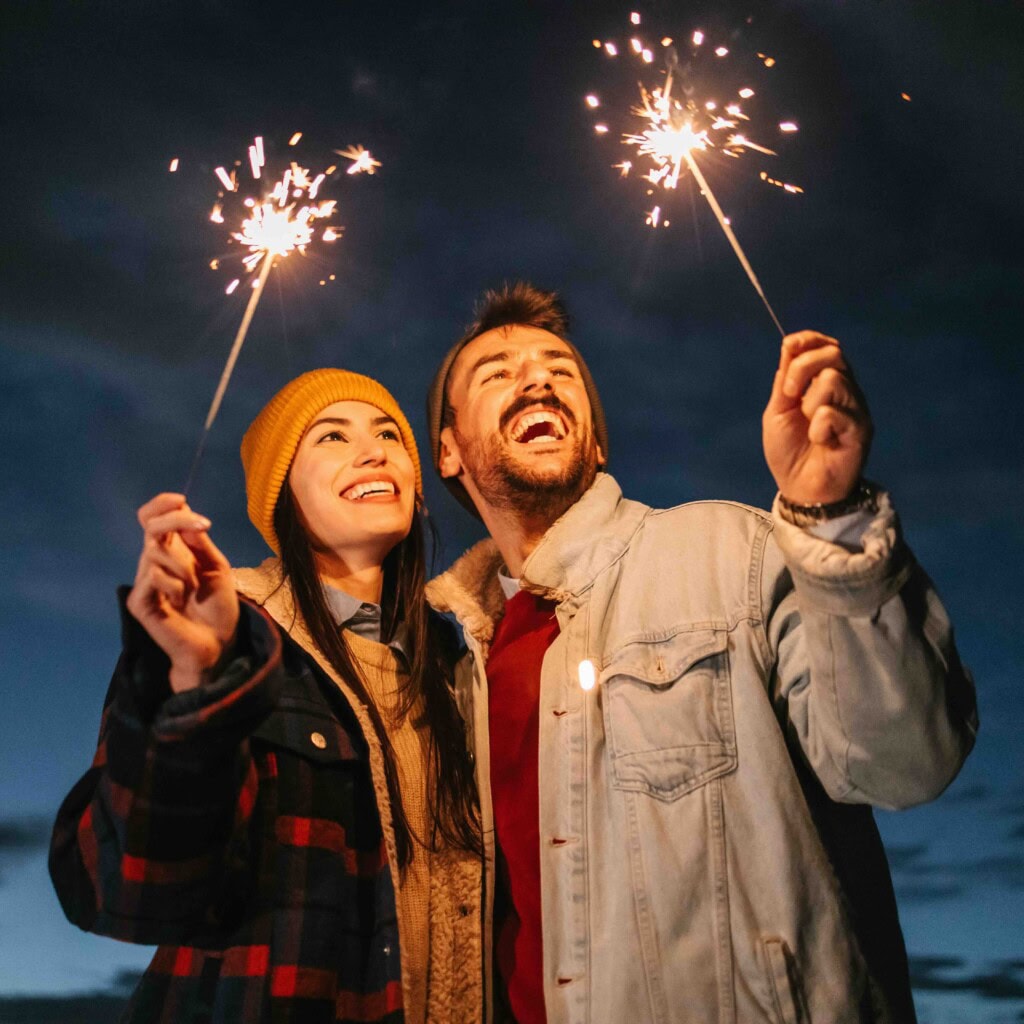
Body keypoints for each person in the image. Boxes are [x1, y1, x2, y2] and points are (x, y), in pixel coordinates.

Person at [422, 283, 978, 1024]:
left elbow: (907, 762)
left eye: (560, 369)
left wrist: (833, 520)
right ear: (449, 451)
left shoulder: (734, 553)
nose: (536, 380)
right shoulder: (459, 675)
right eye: (497, 372)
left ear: (598, 443)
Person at [50, 369, 483, 1024]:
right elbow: (124, 885)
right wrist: (198, 683)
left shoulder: (461, 664)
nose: (373, 451)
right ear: (282, 491)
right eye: (332, 436)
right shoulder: (229, 637)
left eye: (389, 433)